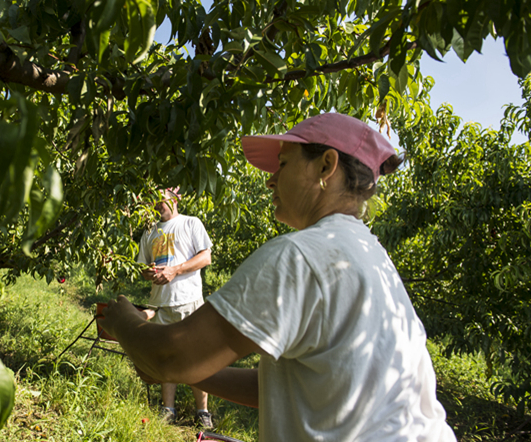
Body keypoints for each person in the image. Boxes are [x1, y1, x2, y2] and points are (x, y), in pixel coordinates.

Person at [101, 113, 457, 441]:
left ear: (326, 165)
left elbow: (170, 356)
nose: (271, 180)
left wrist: (123, 322)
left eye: (283, 164)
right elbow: (294, 386)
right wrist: (184, 371)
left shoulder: (300, 255)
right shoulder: (368, 253)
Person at [137, 188, 214, 428]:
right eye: (154, 201)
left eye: (162, 199)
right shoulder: (150, 231)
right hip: (160, 302)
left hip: (187, 299)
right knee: (166, 356)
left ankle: (202, 412)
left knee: (195, 357)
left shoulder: (190, 223)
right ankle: (167, 410)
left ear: (175, 198)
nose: (159, 205)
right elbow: (141, 267)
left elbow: (205, 257)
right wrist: (149, 272)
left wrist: (175, 270)